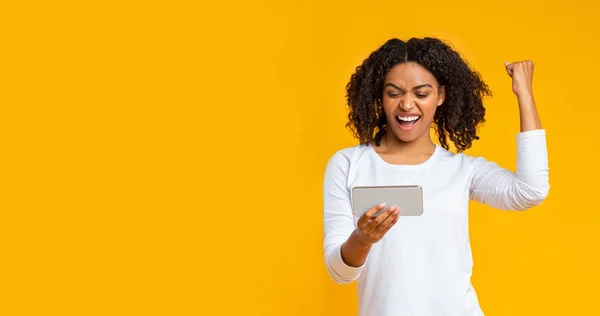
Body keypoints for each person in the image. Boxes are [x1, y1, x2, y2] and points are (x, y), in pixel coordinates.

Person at [322, 37, 549, 316]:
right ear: (380, 96)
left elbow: (531, 190)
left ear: (440, 96)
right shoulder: (348, 165)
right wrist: (362, 238)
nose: (407, 105)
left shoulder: (462, 170)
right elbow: (339, 273)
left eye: (421, 93)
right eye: (394, 93)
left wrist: (524, 94)